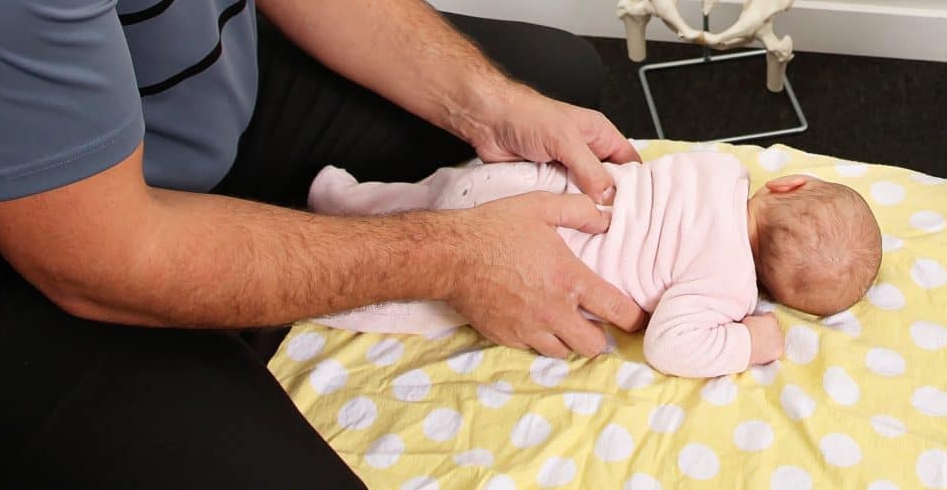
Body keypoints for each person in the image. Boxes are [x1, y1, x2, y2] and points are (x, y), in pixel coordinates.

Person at [0, 0, 647, 488]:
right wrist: (458, 256)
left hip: (181, 93)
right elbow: (108, 254)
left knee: (559, 83)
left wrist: (488, 106)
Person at [307, 151, 884, 378]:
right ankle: (321, 301)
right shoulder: (729, 287)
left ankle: (336, 199)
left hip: (521, 184)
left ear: (787, 185)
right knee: (414, 305)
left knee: (418, 199)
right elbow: (670, 346)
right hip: (527, 258)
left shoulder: (723, 170)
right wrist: (755, 342)